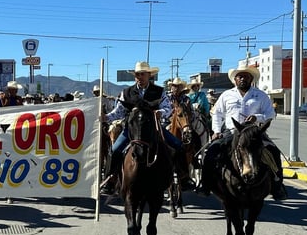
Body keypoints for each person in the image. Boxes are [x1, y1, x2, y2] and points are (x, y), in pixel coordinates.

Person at [101, 61, 194, 195]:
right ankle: (110, 180)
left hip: (154, 128)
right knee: (114, 150)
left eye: (142, 74)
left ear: (149, 75)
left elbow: (168, 108)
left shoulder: (159, 91)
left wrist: (161, 112)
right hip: (132, 129)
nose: (139, 77)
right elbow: (119, 111)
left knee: (178, 145)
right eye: (137, 74)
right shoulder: (126, 92)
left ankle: (184, 178)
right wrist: (106, 117)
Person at [196, 66, 287, 200]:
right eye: (240, 76)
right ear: (235, 80)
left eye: (246, 76)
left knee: (273, 151)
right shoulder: (226, 95)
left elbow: (270, 114)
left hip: (254, 133)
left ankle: (277, 185)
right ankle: (206, 184)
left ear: (251, 79)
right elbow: (217, 114)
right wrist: (216, 131)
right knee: (211, 152)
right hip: (231, 132)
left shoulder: (260, 95)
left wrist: (257, 117)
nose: (243, 79)